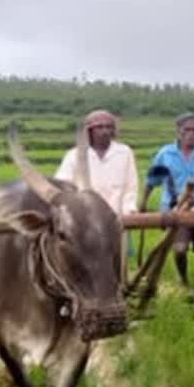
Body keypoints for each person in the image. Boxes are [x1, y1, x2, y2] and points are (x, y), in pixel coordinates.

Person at [140, 112, 194, 290]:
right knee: (179, 249)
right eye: (187, 129)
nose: (191, 134)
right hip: (175, 210)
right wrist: (143, 203)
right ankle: (184, 282)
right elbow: (151, 181)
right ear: (178, 131)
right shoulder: (166, 154)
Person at [55, 110, 139, 276]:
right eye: (99, 127)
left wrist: (129, 209)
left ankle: (119, 290)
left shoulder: (124, 153)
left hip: (116, 216)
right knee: (87, 261)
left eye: (108, 127)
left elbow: (131, 185)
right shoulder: (74, 155)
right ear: (89, 131)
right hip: (86, 219)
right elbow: (62, 184)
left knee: (116, 259)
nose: (104, 131)